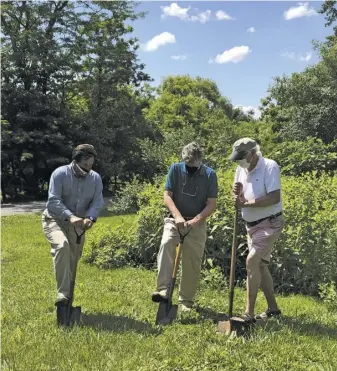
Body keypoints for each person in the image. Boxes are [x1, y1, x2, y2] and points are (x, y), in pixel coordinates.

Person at [42, 144, 104, 325]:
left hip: (78, 227)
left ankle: (67, 307)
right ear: (76, 161)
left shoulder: (95, 179)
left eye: (90, 167)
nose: (88, 171)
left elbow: (97, 201)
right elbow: (53, 201)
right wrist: (71, 217)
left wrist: (90, 218)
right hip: (54, 220)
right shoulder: (59, 174)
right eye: (84, 167)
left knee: (72, 261)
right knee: (62, 246)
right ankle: (62, 295)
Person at [152, 142, 218, 311]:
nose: (189, 169)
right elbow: (167, 196)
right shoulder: (175, 169)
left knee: (192, 261)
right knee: (166, 244)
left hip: (196, 223)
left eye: (193, 167)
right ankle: (163, 291)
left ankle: (185, 301)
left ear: (200, 161)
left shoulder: (210, 175)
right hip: (175, 220)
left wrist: (195, 221)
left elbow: (211, 204)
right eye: (187, 165)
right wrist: (178, 217)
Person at [230, 138, 285, 322]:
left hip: (270, 223)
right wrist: (236, 193)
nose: (240, 162)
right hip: (251, 226)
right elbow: (240, 196)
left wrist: (246, 203)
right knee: (260, 266)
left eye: (242, 158)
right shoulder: (241, 169)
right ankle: (273, 309)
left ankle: (248, 314)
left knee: (252, 261)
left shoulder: (270, 166)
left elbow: (274, 197)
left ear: (253, 153)